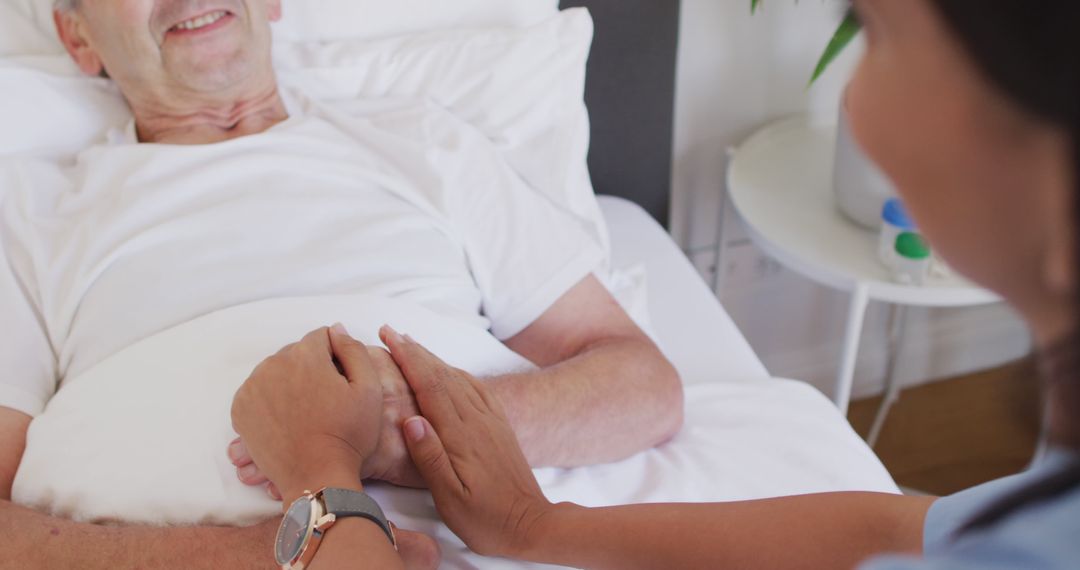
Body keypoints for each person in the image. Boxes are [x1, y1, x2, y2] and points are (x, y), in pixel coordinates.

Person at [232, 0, 1080, 567]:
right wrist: (538, 528)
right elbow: (901, 528)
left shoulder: (419, 143)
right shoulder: (1040, 512)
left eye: (884, 38)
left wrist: (327, 459)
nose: (850, 102)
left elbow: (638, 380)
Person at [0, 0, 682, 567]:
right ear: (77, 36)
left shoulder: (425, 144)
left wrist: (405, 437)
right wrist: (268, 553)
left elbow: (643, 387)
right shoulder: (30, 216)